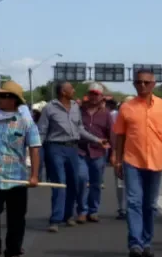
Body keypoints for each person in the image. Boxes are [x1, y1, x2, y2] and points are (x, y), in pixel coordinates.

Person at [113, 69, 162, 257]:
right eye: (139, 82)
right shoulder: (127, 107)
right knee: (134, 202)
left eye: (146, 82)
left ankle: (147, 242)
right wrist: (117, 160)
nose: (142, 86)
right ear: (134, 84)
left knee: (149, 204)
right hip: (132, 161)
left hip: (156, 161)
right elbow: (120, 135)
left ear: (153, 84)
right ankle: (135, 243)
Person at [0, 81, 41, 257]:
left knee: (16, 217)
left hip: (17, 178)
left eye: (4, 96)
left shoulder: (25, 121)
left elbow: (35, 148)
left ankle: (13, 253)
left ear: (13, 100)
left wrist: (34, 175)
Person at [37, 82, 108, 232]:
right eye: (71, 88)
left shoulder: (76, 107)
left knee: (73, 183)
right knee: (59, 183)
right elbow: (41, 131)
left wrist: (97, 140)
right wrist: (37, 153)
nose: (74, 90)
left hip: (73, 149)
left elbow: (80, 129)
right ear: (63, 92)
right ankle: (55, 219)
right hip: (55, 148)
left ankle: (68, 215)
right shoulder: (50, 108)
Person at [75, 83, 113, 223]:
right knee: (81, 179)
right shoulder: (78, 110)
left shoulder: (106, 114)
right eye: (91, 93)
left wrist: (114, 154)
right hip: (80, 151)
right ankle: (82, 210)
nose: (93, 97)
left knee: (96, 183)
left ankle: (93, 210)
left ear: (101, 97)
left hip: (98, 153)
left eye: (96, 94)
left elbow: (111, 134)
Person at [110, 96, 133, 220]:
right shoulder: (115, 117)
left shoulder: (137, 117)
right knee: (120, 183)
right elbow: (114, 138)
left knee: (134, 184)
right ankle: (122, 209)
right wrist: (114, 154)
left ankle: (133, 208)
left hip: (135, 155)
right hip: (121, 153)